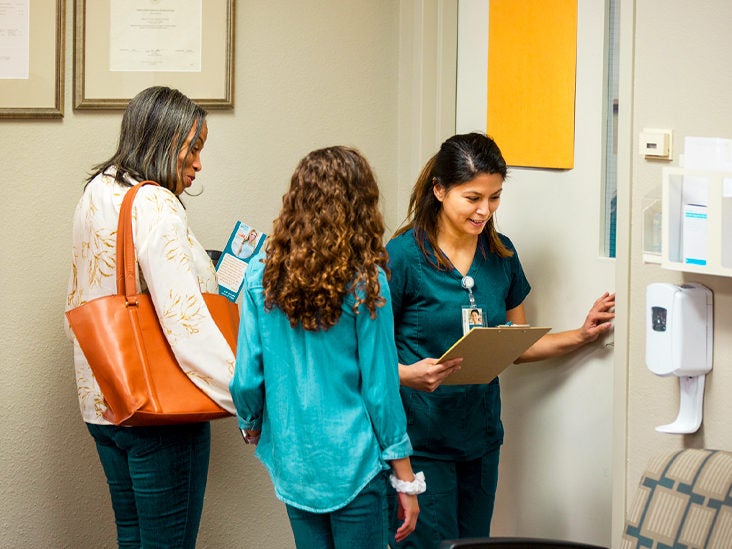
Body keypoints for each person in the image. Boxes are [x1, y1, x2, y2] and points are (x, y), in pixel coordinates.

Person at [385, 132, 615, 547]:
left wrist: (581, 335)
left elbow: (516, 344)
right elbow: (370, 354)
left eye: (494, 198)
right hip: (420, 440)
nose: (484, 211)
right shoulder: (402, 257)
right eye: (472, 198)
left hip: (480, 437)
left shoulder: (501, 254)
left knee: (474, 545)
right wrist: (406, 375)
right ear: (439, 190)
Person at [64, 86, 236, 548]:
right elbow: (185, 322)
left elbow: (89, 294)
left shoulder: (97, 192)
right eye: (193, 148)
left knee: (134, 538)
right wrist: (245, 399)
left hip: (105, 402)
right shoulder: (156, 204)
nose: (199, 163)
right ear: (164, 140)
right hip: (160, 414)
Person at [230, 146, 422, 548]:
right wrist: (406, 478)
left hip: (295, 462)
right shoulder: (366, 285)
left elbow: (246, 377)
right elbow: (381, 392)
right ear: (361, 208)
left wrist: (250, 422)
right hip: (354, 463)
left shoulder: (260, 277)